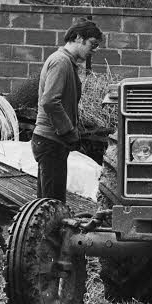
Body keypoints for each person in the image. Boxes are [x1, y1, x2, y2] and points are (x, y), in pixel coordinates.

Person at [32, 21, 103, 202]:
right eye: (92, 44)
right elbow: (49, 102)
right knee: (52, 204)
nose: (94, 50)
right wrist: (68, 131)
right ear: (79, 38)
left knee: (47, 203)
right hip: (51, 141)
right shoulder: (61, 62)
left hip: (51, 141)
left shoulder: (66, 62)